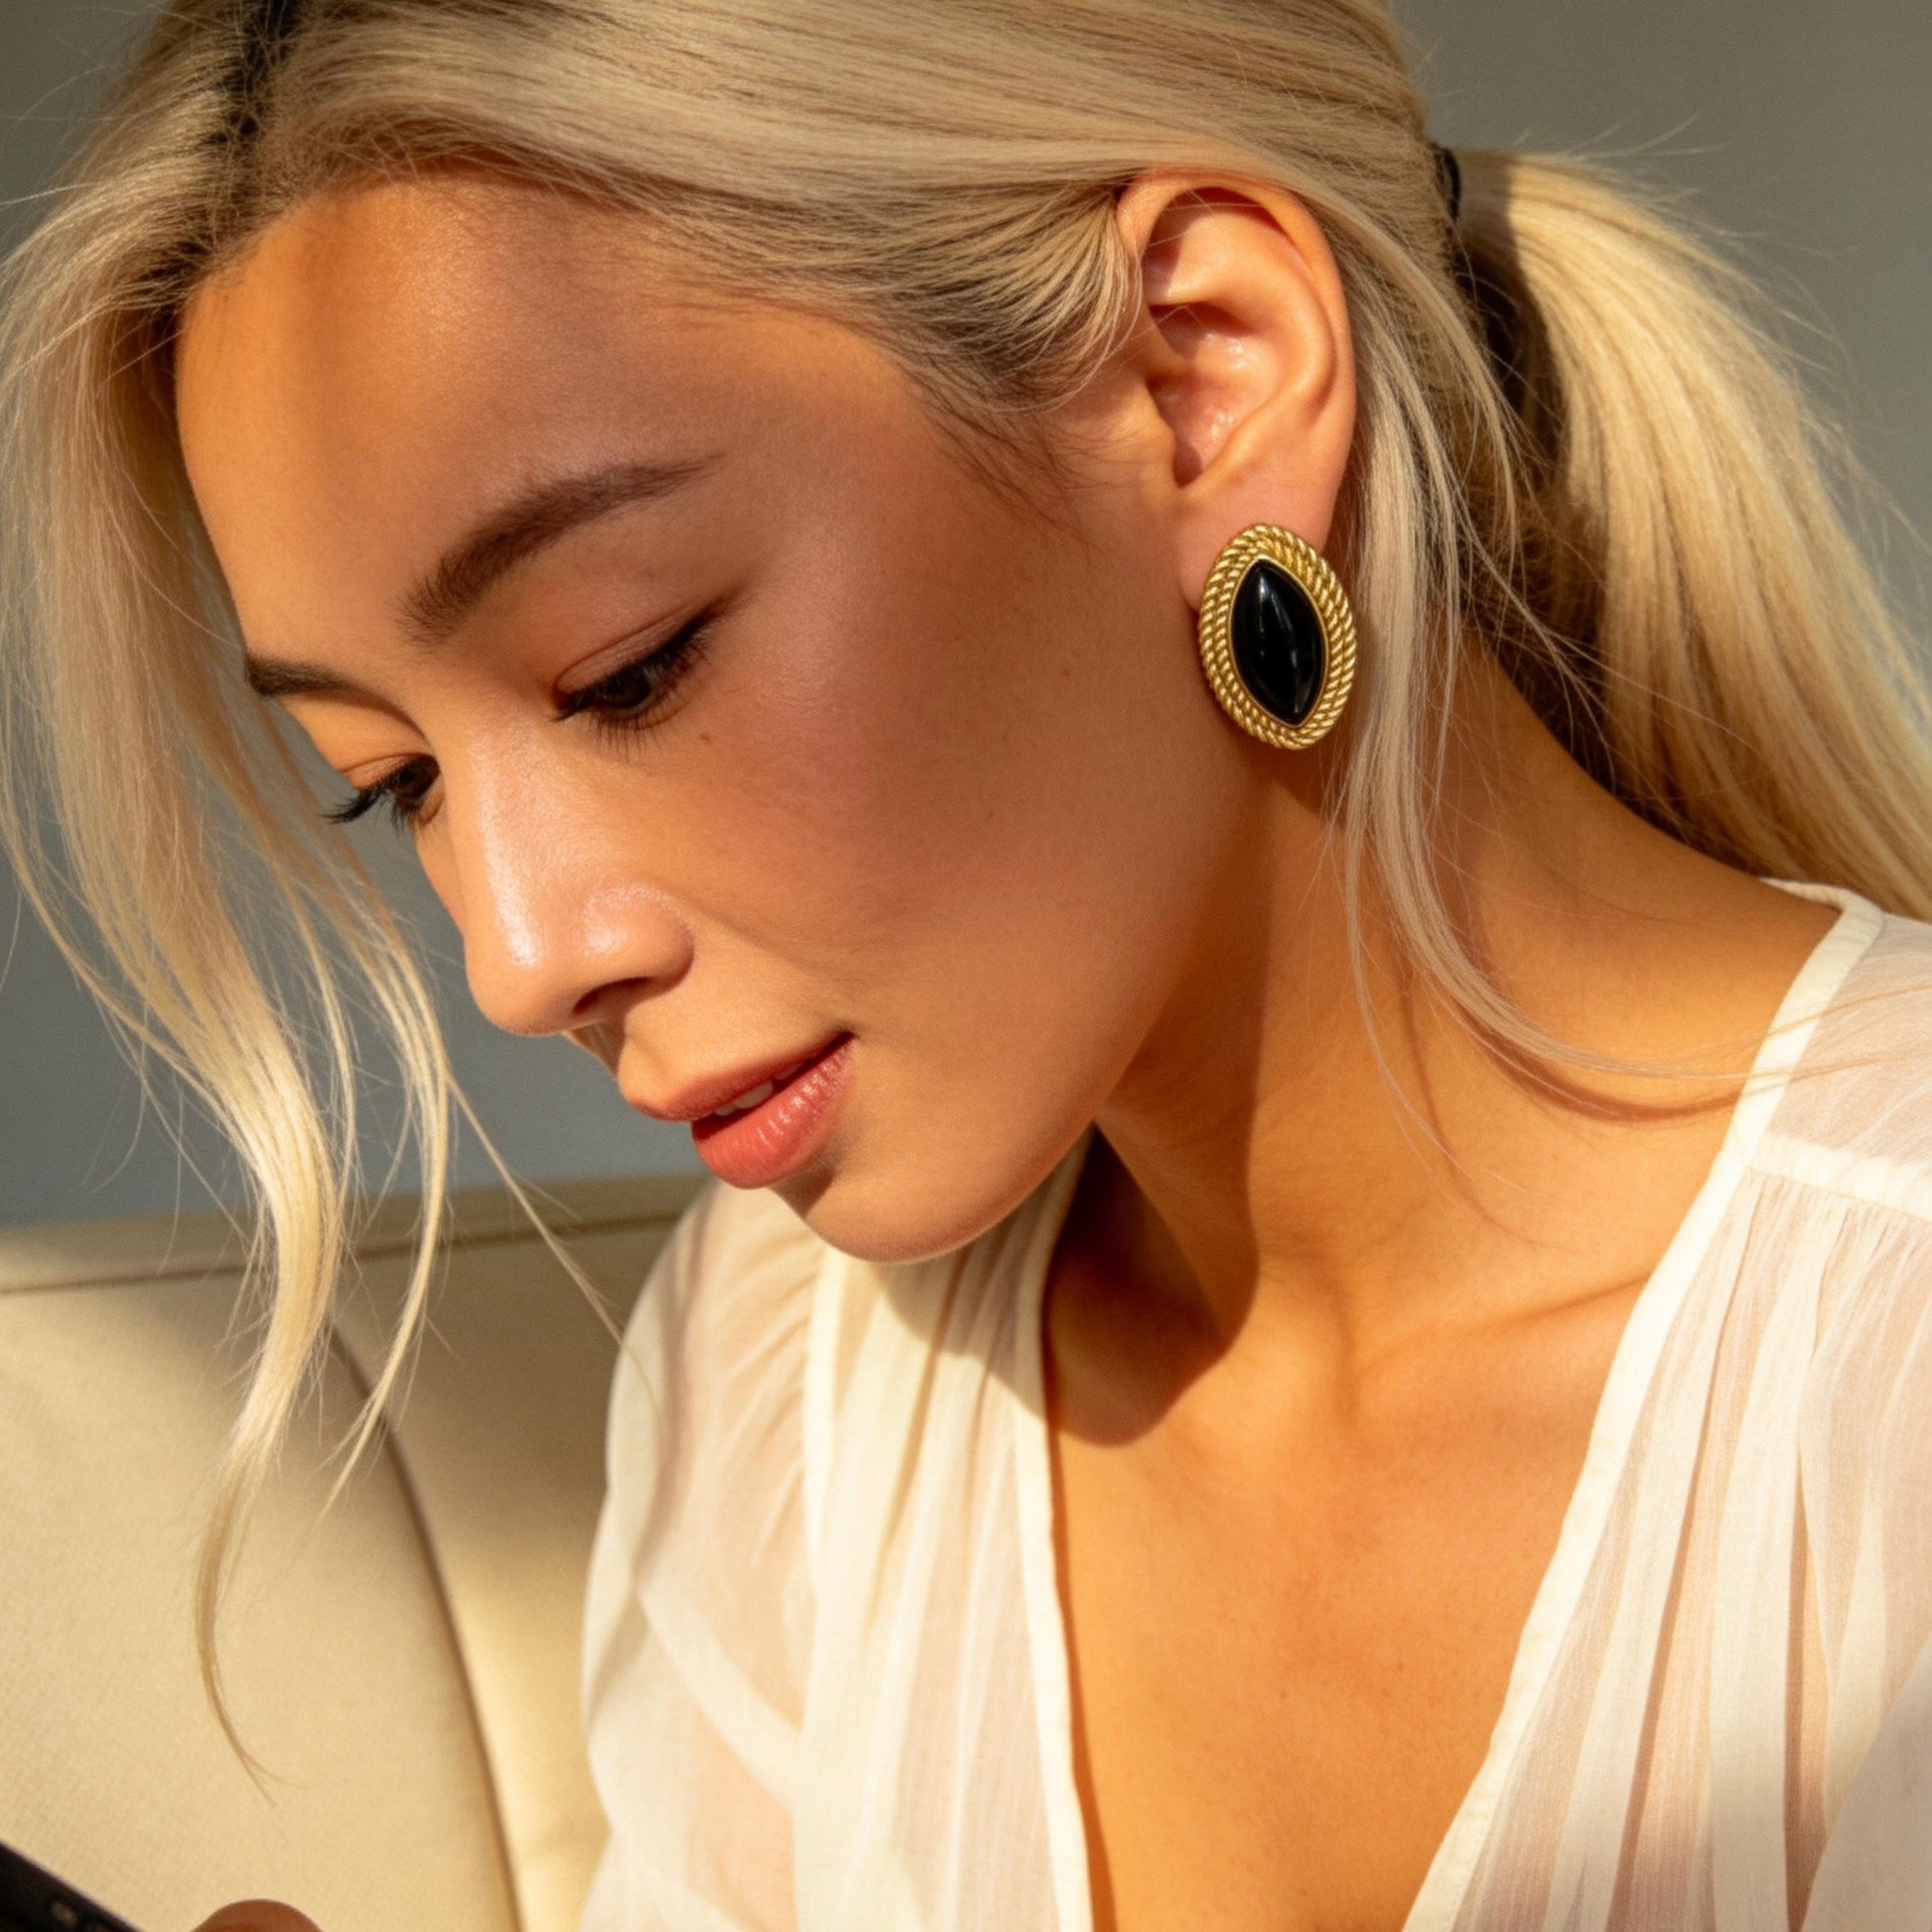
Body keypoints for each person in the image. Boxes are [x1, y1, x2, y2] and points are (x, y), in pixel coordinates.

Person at [3, 0, 1929, 1927]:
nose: (515, 959)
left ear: (1201, 376)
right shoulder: (795, 1379)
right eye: (395, 781)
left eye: (627, 666)